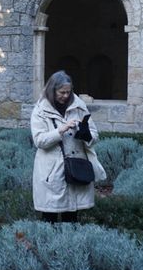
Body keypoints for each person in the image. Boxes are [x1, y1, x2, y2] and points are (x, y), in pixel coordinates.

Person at [30, 70, 100, 223]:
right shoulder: (40, 110)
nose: (66, 96)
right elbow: (39, 140)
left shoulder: (79, 106)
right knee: (50, 217)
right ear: (52, 90)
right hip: (52, 171)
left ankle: (69, 246)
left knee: (72, 215)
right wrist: (60, 130)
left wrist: (85, 133)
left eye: (68, 92)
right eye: (62, 92)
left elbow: (94, 135)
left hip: (75, 169)